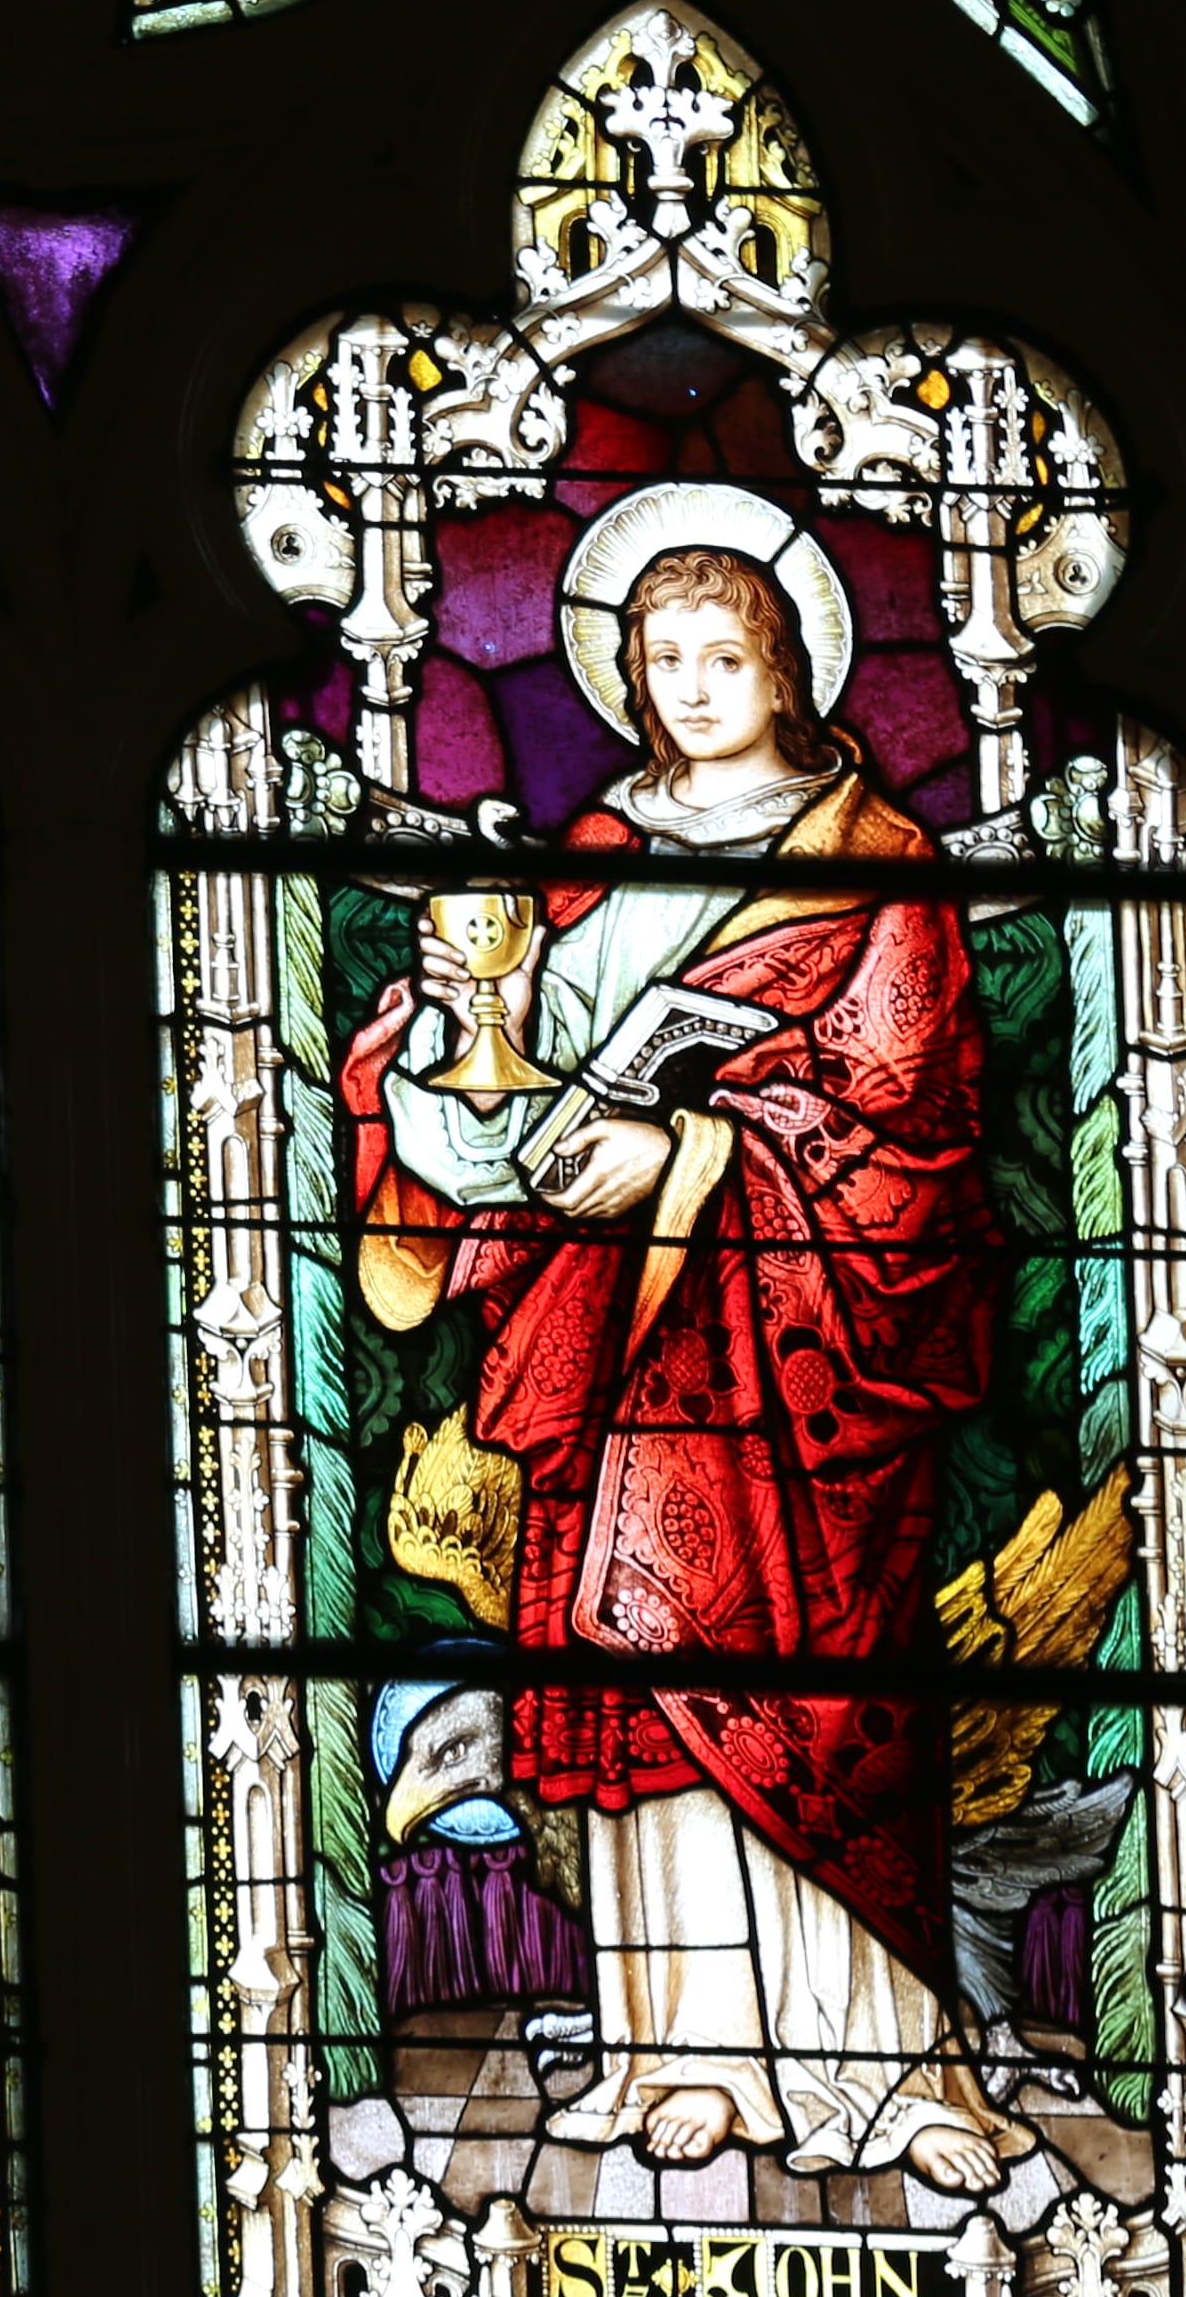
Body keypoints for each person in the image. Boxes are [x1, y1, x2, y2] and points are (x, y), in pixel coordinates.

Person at [348, 482, 1024, 2194]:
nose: (695, 683)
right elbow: (514, 1089)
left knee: (816, 1682)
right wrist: (465, 1044)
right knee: (632, 1655)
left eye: (728, 652)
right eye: (661, 655)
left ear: (793, 664)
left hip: (801, 1363)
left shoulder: (878, 866)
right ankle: (683, 2049)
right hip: (624, 1350)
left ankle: (877, 2054)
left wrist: (704, 1151)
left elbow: (911, 1125)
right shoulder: (595, 861)